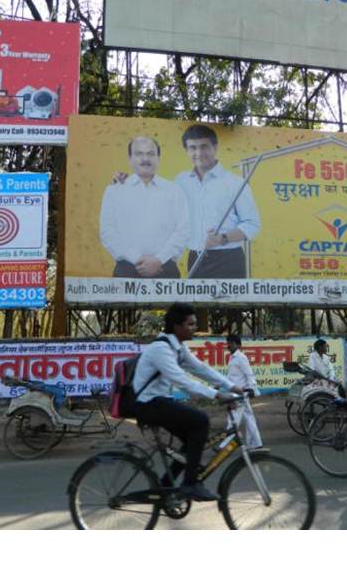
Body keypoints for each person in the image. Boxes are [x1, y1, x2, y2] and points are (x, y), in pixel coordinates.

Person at [132, 303, 243, 502]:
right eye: (190, 324)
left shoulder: (177, 347)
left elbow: (200, 368)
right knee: (200, 422)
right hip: (147, 404)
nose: (194, 328)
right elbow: (182, 381)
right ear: (177, 326)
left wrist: (231, 386)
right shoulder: (161, 348)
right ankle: (190, 484)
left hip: (159, 401)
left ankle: (166, 487)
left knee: (192, 443)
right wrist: (217, 395)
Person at [176, 124, 260, 279]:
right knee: (197, 304)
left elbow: (252, 224)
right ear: (186, 150)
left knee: (228, 304)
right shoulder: (180, 181)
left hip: (228, 260)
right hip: (195, 258)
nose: (199, 153)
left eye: (204, 146)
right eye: (193, 148)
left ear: (215, 147)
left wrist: (223, 238)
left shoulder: (235, 183)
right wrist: (125, 182)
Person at [99, 136, 190, 278]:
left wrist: (159, 260)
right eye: (139, 154)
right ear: (130, 158)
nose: (145, 159)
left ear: (159, 158)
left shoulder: (174, 191)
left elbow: (183, 230)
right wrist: (137, 259)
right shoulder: (114, 191)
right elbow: (108, 232)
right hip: (126, 270)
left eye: (151, 154)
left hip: (165, 269)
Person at [225, 334, 263, 450]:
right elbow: (232, 376)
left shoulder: (241, 357)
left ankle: (226, 445)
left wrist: (252, 389)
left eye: (232, 343)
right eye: (228, 343)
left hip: (241, 393)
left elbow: (249, 373)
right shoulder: (232, 358)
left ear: (238, 345)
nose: (229, 345)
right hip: (236, 392)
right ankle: (256, 443)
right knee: (249, 418)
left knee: (233, 418)